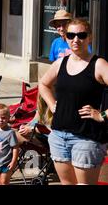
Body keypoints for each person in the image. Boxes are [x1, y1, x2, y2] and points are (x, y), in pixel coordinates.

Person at [39, 18, 108, 185]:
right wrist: (51, 104)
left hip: (86, 138)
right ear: (66, 37)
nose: (76, 40)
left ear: (89, 37)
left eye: (81, 35)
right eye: (71, 35)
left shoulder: (98, 64)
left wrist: (103, 115)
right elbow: (43, 84)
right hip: (59, 136)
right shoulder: (61, 62)